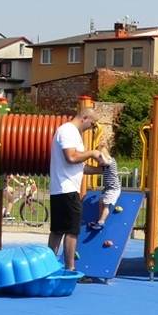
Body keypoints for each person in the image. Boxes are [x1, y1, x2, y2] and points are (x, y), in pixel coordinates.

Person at [48, 107, 101, 270]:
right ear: (84, 117)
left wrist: (100, 170)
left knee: (58, 230)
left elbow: (79, 166)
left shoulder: (73, 133)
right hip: (67, 189)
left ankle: (48, 266)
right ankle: (70, 268)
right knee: (71, 231)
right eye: (92, 124)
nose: (91, 128)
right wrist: (92, 153)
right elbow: (71, 157)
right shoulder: (68, 131)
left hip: (62, 189)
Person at [88, 135, 120, 231]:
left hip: (114, 189)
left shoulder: (111, 162)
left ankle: (102, 222)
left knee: (106, 204)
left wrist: (101, 154)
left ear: (104, 156)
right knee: (100, 201)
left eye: (99, 160)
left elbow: (106, 162)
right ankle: (99, 219)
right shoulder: (105, 164)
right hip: (108, 189)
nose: (99, 163)